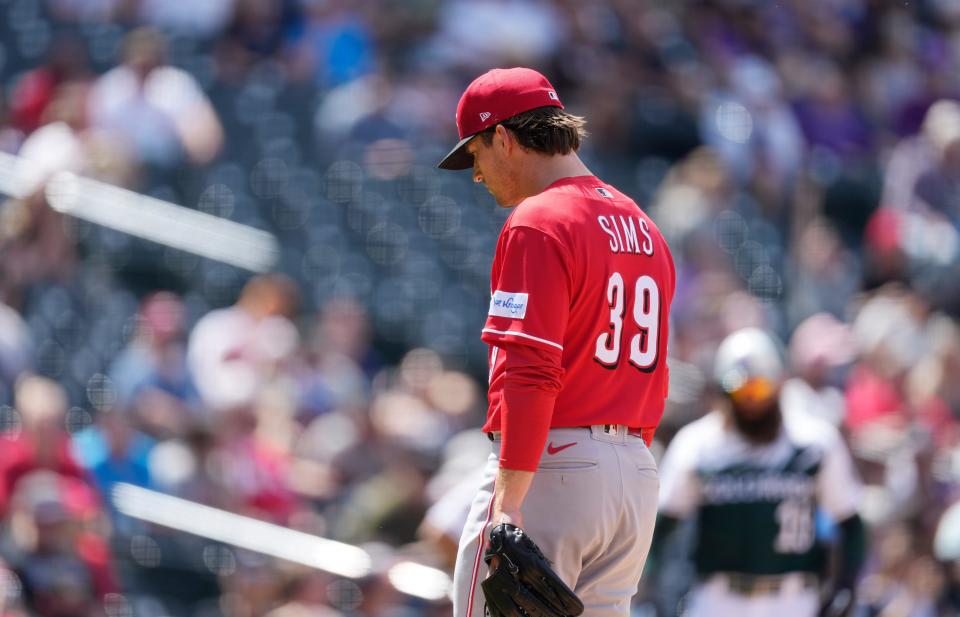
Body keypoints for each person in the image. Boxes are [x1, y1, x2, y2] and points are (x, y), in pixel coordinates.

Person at [436, 67, 676, 617]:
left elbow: (529, 368)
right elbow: (657, 373)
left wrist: (510, 502)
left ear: (503, 137)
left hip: (554, 467)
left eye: (474, 154)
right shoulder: (642, 223)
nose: (475, 174)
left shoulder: (539, 219)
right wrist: (622, 459)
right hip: (635, 475)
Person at [654, 328, 866, 617]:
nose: (751, 400)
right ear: (723, 390)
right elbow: (664, 524)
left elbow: (850, 521)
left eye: (759, 388)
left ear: (779, 383)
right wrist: (660, 591)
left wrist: (846, 585)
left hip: (794, 599)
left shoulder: (814, 442)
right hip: (717, 598)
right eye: (741, 390)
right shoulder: (698, 444)